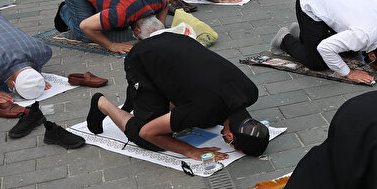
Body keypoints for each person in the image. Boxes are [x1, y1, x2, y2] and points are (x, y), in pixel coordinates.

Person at [85, 32, 270, 161]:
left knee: (203, 121)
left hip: (176, 41)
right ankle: (102, 104)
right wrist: (190, 151)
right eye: (231, 144)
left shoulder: (250, 92)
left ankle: (154, 100)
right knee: (152, 140)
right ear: (229, 136)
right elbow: (147, 132)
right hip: (142, 59)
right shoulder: (205, 109)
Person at [270, 0, 377, 85]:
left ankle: (301, 32)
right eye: (372, 65)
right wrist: (348, 72)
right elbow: (324, 48)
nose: (369, 65)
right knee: (316, 62)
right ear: (373, 56)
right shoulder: (362, 36)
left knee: (351, 50)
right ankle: (284, 39)